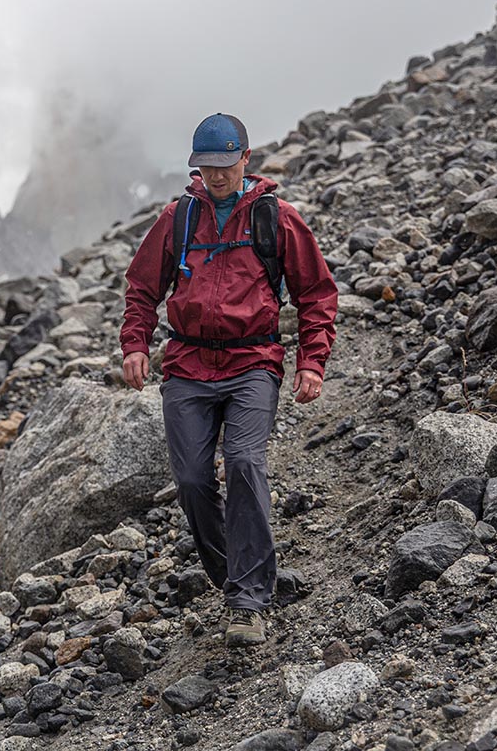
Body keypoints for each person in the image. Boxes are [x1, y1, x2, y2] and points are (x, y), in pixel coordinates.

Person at [120, 113, 338, 646]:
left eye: (224, 164)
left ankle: (248, 599)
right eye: (205, 166)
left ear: (245, 158)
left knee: (243, 462)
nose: (215, 175)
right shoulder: (178, 219)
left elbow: (316, 294)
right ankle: (238, 577)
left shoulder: (277, 218)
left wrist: (312, 361)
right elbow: (142, 288)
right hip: (188, 367)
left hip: (252, 363)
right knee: (193, 483)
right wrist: (135, 345)